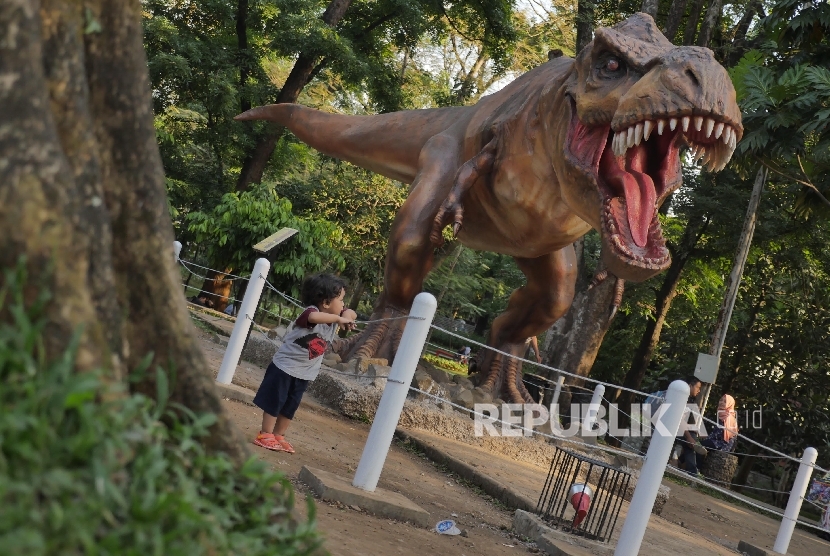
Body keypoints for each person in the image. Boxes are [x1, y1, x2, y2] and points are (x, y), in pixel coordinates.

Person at [252, 273, 357, 453]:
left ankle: (279, 435)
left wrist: (346, 314)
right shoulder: (310, 313)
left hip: (304, 373)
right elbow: (314, 318)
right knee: (274, 401)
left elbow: (351, 312)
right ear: (325, 303)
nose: (343, 305)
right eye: (340, 300)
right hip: (284, 368)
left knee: (290, 406)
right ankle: (265, 433)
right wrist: (339, 318)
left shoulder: (334, 315)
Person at [690, 394, 739, 472]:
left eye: (725, 401)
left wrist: (706, 438)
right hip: (717, 442)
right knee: (698, 445)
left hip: (723, 445)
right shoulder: (722, 415)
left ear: (729, 404)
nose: (722, 402)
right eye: (721, 400)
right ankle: (693, 469)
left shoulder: (728, 417)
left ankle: (696, 470)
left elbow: (721, 436)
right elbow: (716, 433)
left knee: (699, 446)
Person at [674, 376, 707, 476]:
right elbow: (679, 421)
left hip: (674, 427)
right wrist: (689, 437)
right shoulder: (681, 399)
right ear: (690, 386)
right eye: (697, 387)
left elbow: (680, 421)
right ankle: (693, 473)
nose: (699, 390)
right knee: (691, 440)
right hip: (669, 429)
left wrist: (693, 429)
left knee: (691, 438)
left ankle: (692, 472)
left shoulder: (683, 398)